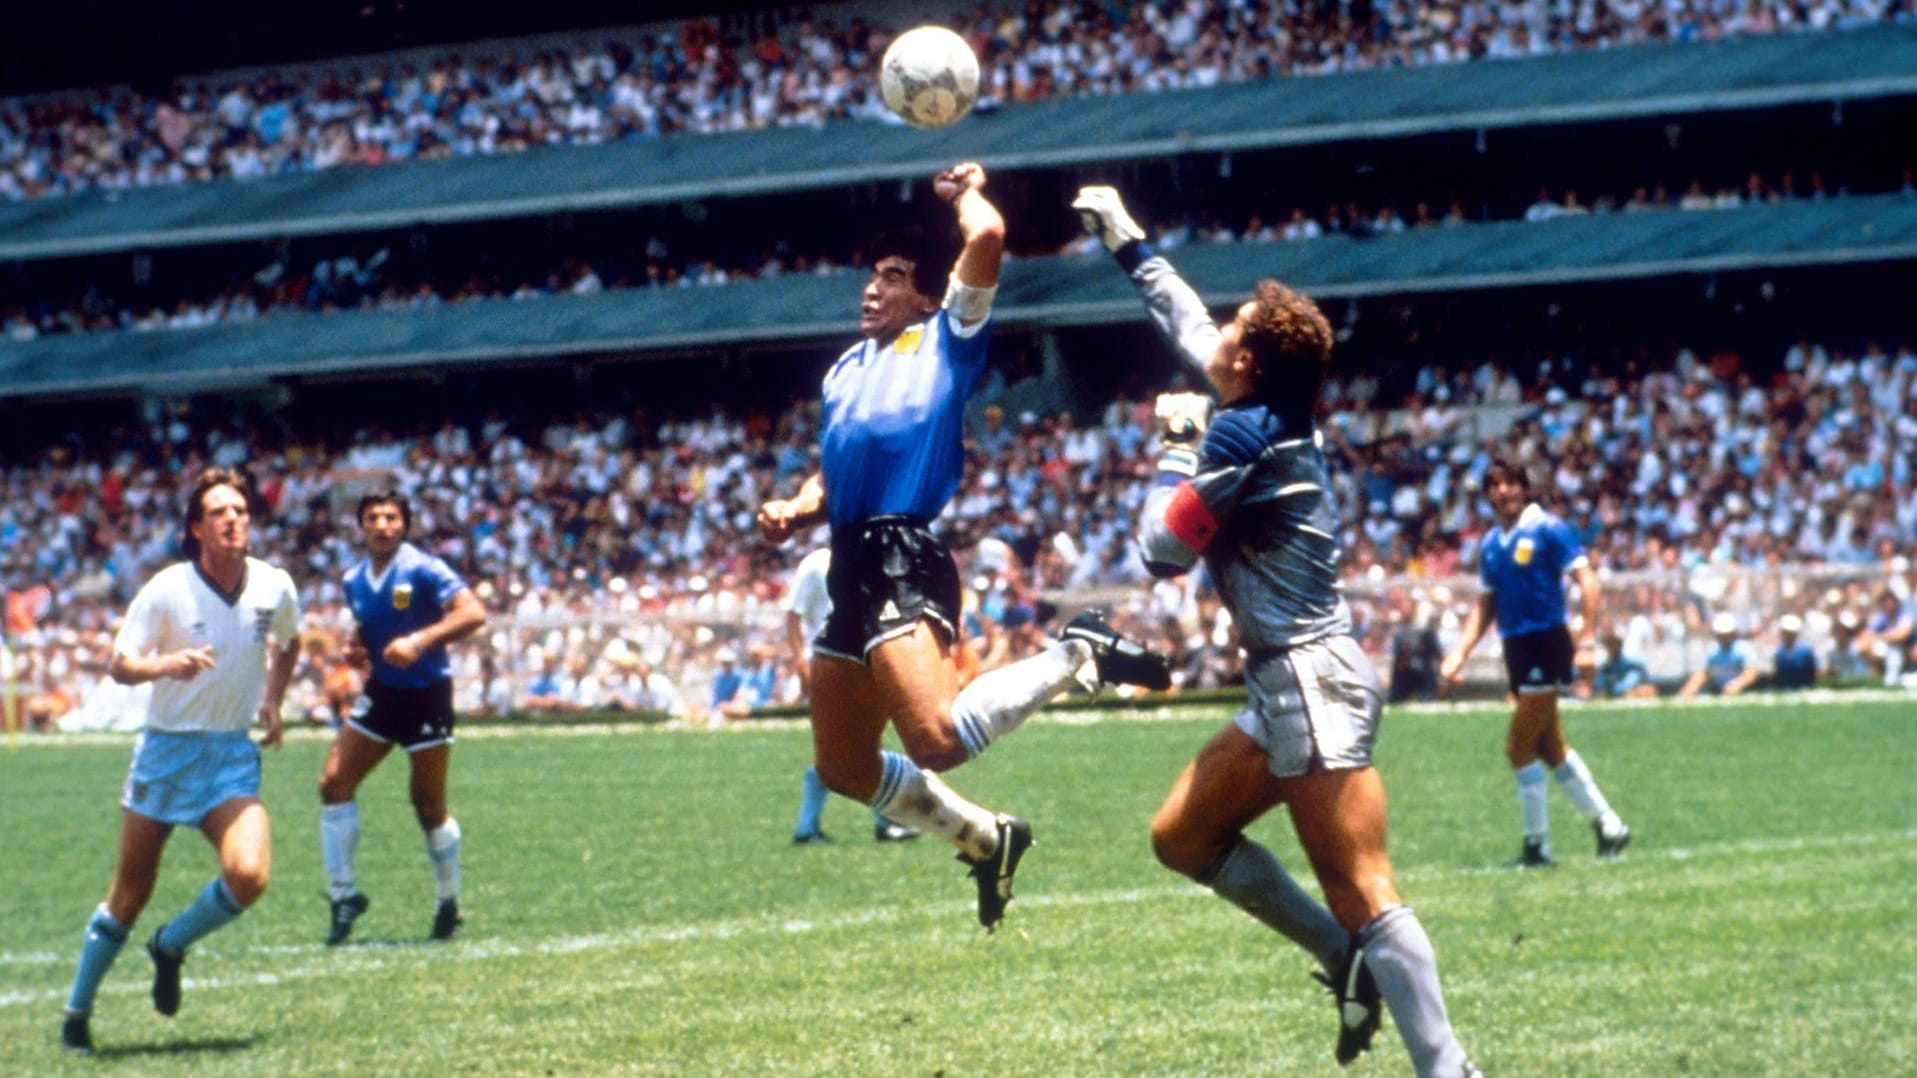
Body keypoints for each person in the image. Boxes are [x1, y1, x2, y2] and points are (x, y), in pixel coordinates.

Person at [1075, 184, 1477, 1076]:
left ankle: (1449, 1070)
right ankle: (1345, 964)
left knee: (1362, 890)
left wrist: (1173, 447)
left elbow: (1157, 554)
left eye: (1235, 325)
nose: (1217, 328)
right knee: (1182, 835)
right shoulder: (1263, 413)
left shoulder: (1240, 437)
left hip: (1308, 677)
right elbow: (1190, 326)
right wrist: (1129, 242)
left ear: (1248, 360)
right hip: (1290, 678)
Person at [756, 162, 1169, 932]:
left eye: (892, 276)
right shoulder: (845, 369)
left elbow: (986, 235)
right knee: (841, 767)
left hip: (901, 553)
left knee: (937, 740)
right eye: (870, 275)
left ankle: (1074, 655)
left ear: (923, 292)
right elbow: (838, 466)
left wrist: (961, 193)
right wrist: (799, 506)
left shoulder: (949, 334)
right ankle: (985, 839)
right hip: (850, 557)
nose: (872, 288)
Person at [59, 468, 301, 1054]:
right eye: (218, 511)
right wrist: (167, 665)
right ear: (196, 528)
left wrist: (272, 699)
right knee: (129, 894)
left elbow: (289, 642)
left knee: (249, 875)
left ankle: (170, 945)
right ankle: (76, 1013)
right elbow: (120, 664)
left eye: (239, 510)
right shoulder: (167, 588)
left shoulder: (275, 587)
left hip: (230, 754)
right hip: (167, 752)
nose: (232, 519)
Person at [1439, 458, 1632, 868]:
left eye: (1509, 484)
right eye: (1494, 485)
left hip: (1546, 642)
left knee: (1518, 746)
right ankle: (1609, 825)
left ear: (1524, 488)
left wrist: (1586, 641)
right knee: (1549, 746)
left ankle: (1537, 847)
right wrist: (1459, 652)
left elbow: (1587, 581)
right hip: (1516, 647)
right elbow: (1485, 606)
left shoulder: (1549, 529)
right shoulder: (1491, 544)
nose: (1502, 492)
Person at [318, 490, 487, 946]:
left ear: (404, 525)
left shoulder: (425, 569)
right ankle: (343, 896)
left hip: (427, 696)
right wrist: (357, 649)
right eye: (373, 517)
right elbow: (365, 631)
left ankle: (448, 902)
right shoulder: (354, 579)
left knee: (428, 807)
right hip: (383, 694)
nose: (382, 525)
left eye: (391, 517)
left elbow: (474, 612)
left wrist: (419, 641)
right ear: (361, 525)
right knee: (333, 782)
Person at [784, 547, 920, 844]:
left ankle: (814, 827)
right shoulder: (816, 562)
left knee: (861, 742)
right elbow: (792, 615)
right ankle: (875, 823)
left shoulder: (870, 558)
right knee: (839, 746)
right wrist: (799, 662)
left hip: (864, 661)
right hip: (829, 661)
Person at [1678, 612, 1761, 697]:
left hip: (1744, 692)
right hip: (1718, 691)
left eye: (1727, 634)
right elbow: (1701, 674)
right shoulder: (1712, 650)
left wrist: (1738, 684)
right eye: (1721, 635)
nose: (1724, 638)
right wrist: (1690, 688)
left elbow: (1751, 672)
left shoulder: (1744, 648)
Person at [1591, 625, 1658, 699]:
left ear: (1620, 644)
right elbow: (1599, 684)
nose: (1612, 647)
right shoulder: (1606, 666)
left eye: (1615, 643)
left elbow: (1633, 680)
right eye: (1610, 644)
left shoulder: (1632, 662)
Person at [1769, 613, 1818, 690]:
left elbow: (1812, 674)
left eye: (1790, 633)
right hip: (1784, 689)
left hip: (1803, 688)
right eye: (1786, 633)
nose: (1788, 635)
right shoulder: (1779, 651)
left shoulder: (1806, 650)